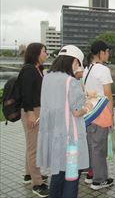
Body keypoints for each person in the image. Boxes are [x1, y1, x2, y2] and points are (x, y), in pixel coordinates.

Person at [36, 45, 93, 198]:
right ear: (74, 61)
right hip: (71, 141)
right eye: (77, 64)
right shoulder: (71, 82)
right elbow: (76, 111)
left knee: (58, 174)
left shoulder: (47, 77)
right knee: (71, 178)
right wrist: (88, 107)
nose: (77, 68)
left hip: (54, 137)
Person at [18, 42, 49, 197]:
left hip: (37, 109)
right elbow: (26, 94)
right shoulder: (29, 70)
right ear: (36, 53)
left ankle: (29, 174)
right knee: (34, 147)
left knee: (32, 144)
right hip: (32, 111)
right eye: (44, 51)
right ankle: (37, 184)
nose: (46, 54)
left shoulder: (38, 69)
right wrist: (30, 113)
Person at [83, 40, 114, 190]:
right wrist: (112, 116)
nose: (108, 54)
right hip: (101, 113)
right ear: (101, 52)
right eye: (107, 51)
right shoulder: (102, 69)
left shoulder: (86, 69)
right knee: (99, 148)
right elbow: (108, 94)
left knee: (91, 145)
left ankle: (90, 174)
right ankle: (99, 180)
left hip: (88, 113)